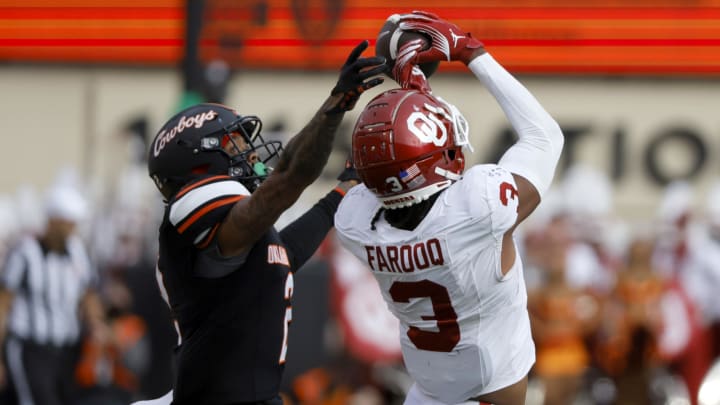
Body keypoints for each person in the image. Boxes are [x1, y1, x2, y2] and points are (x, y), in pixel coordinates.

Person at [334, 11, 564, 405]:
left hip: (425, 394)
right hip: (489, 394)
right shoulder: (479, 206)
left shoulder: (354, 223)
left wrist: (409, 94)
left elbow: (383, 176)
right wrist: (470, 51)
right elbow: (544, 138)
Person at [142, 40, 386, 405]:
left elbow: (283, 253)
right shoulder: (188, 209)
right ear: (199, 163)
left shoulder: (237, 236)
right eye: (235, 143)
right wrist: (336, 104)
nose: (252, 154)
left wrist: (343, 191)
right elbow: (289, 176)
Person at [0, 185, 112, 405]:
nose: (72, 229)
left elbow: (87, 293)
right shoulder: (25, 253)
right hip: (30, 348)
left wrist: (97, 324)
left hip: (66, 350)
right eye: (68, 223)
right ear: (53, 221)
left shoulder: (78, 251)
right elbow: (3, 304)